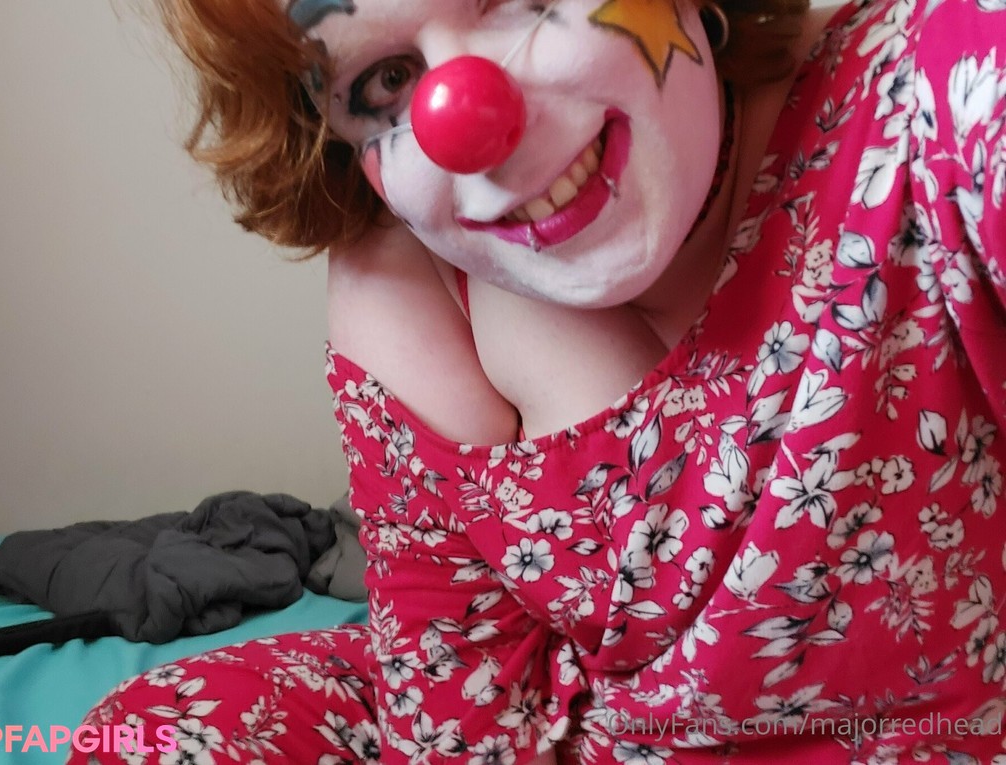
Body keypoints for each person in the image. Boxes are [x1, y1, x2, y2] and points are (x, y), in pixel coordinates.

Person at [69, 0, 1006, 761]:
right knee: (149, 733)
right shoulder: (410, 286)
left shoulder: (939, 90)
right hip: (594, 734)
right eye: (386, 79)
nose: (467, 122)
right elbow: (452, 706)